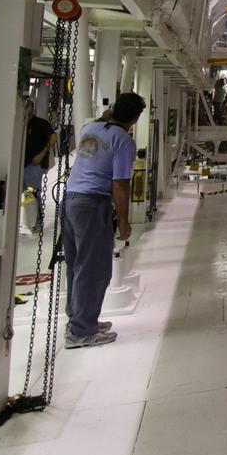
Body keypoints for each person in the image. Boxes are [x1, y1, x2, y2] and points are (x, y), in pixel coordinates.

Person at [61, 91, 146, 348]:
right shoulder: (123, 140)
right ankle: (82, 331)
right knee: (94, 269)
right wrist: (124, 220)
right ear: (135, 118)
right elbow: (120, 183)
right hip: (92, 204)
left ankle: (79, 320)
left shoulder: (90, 129)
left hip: (71, 200)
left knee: (77, 265)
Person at [23, 99, 57, 233]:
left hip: (33, 166)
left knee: (31, 192)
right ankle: (28, 220)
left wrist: (42, 154)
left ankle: (36, 221)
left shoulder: (40, 124)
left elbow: (53, 137)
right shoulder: (20, 124)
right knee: (25, 194)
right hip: (20, 165)